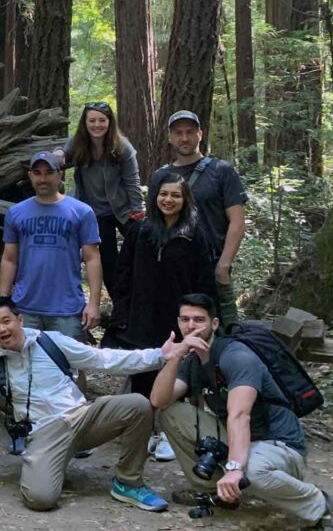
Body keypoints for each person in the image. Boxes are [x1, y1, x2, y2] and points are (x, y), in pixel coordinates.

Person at [0, 296, 174, 513]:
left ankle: (128, 481)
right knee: (40, 500)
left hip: (83, 417)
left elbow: (105, 360)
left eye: (6, 321)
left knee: (137, 404)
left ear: (19, 320)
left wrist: (160, 356)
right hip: (46, 434)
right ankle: (45, 463)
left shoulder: (52, 342)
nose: (1, 329)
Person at [150, 293, 333, 530]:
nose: (191, 326)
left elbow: (240, 415)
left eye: (199, 320)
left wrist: (235, 468)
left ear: (214, 324)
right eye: (185, 319)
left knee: (252, 472)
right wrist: (174, 358)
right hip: (241, 439)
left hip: (279, 444)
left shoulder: (237, 356)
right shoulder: (192, 362)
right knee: (171, 413)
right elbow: (158, 400)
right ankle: (213, 492)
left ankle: (317, 503)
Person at [110, 171, 217, 461]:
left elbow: (204, 282)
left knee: (176, 376)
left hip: (179, 319)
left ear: (185, 200)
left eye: (176, 195)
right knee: (144, 376)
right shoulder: (140, 230)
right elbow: (123, 276)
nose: (168, 200)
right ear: (155, 196)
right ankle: (143, 430)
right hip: (141, 316)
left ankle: (170, 433)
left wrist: (198, 321)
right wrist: (121, 314)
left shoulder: (194, 235)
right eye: (164, 194)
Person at [0, 150, 101, 396]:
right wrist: (3, 303)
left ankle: (79, 422)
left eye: (49, 173)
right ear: (30, 176)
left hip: (67, 307)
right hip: (27, 306)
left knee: (74, 368)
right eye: (37, 173)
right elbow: (9, 258)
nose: (43, 179)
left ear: (60, 175)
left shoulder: (81, 212)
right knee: (25, 367)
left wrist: (94, 303)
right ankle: (29, 423)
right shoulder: (17, 213)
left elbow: (92, 257)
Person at [148, 110, 248, 329]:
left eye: (190, 132)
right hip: (171, 269)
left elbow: (238, 222)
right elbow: (153, 224)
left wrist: (224, 264)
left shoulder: (221, 171)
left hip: (210, 267)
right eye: (178, 133)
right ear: (170, 137)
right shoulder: (160, 177)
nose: (184, 138)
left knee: (214, 329)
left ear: (200, 134)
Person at [52, 102, 144, 293]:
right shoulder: (78, 144)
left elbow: (132, 181)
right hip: (96, 214)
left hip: (123, 210)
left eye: (102, 120)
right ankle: (120, 308)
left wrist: (138, 212)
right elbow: (63, 153)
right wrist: (59, 153)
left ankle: (143, 295)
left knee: (142, 252)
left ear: (110, 123)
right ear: (85, 123)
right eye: (92, 120)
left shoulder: (122, 147)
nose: (97, 125)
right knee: (108, 262)